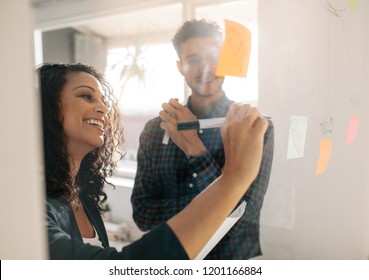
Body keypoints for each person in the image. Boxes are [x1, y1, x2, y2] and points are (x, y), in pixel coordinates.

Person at [39, 62, 268, 260]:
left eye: (103, 101)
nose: (103, 109)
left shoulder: (83, 196)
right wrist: (234, 176)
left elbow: (244, 220)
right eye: (86, 96)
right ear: (45, 107)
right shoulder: (29, 208)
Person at [131, 19, 274, 259]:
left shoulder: (253, 126)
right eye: (193, 59)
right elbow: (143, 215)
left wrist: (195, 149)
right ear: (180, 67)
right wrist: (218, 203)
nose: (205, 67)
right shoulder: (156, 129)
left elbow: (241, 221)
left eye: (213, 57)